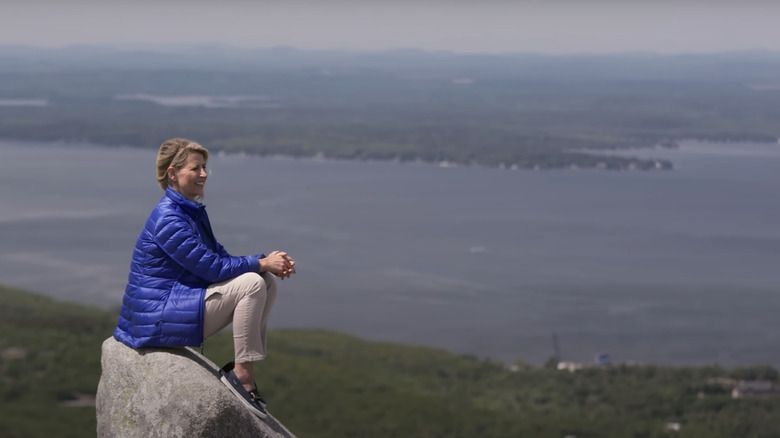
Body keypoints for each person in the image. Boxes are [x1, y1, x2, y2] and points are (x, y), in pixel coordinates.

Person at [113, 138, 295, 419]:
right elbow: (211, 269)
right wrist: (261, 263)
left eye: (204, 167)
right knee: (253, 283)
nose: (203, 174)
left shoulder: (189, 212)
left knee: (264, 280)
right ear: (173, 174)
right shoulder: (169, 219)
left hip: (170, 306)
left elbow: (218, 258)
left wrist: (266, 263)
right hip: (154, 319)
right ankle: (242, 376)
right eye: (195, 168)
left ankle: (241, 368)